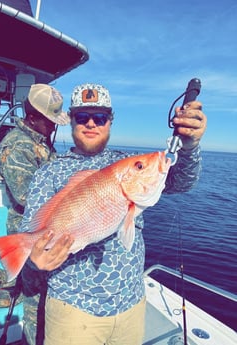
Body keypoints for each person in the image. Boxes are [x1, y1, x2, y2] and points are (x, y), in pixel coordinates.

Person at [20, 83, 207, 345]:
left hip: (131, 305)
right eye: (82, 117)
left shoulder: (124, 161)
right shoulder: (49, 173)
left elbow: (182, 181)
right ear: (71, 121)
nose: (91, 124)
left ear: (110, 121)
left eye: (100, 117)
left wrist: (189, 146)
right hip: (73, 309)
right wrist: (33, 260)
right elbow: (31, 232)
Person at [0, 83, 73, 345]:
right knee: (34, 302)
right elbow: (29, 198)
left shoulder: (41, 143)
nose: (54, 126)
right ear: (32, 118)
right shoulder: (17, 146)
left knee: (50, 298)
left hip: (50, 235)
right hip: (30, 240)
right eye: (50, 121)